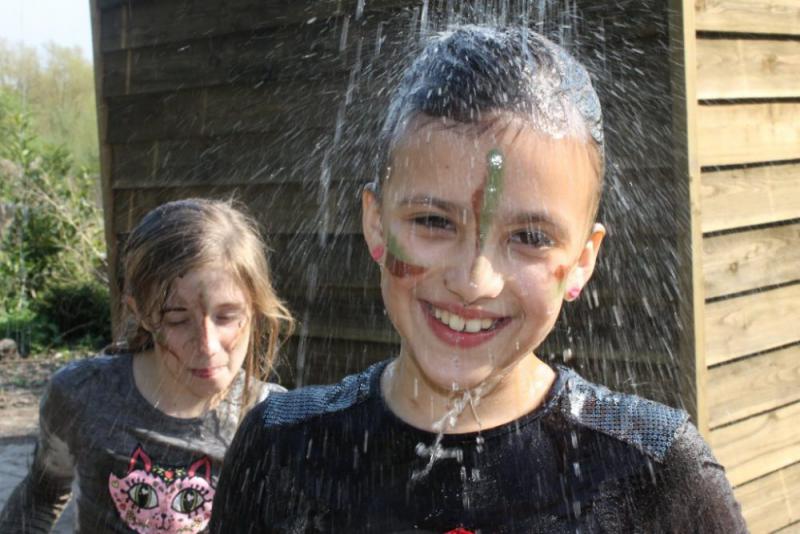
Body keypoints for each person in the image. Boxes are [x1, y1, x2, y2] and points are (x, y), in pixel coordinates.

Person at [210, 27, 746, 533]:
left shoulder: (654, 472)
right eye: (434, 222)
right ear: (376, 224)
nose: (474, 281)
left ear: (583, 260)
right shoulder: (279, 449)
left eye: (530, 237)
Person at [0, 198, 294, 533]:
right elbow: (40, 497)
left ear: (255, 307)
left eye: (227, 317)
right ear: (139, 310)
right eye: (178, 319)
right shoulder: (81, 395)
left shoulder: (273, 420)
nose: (207, 346)